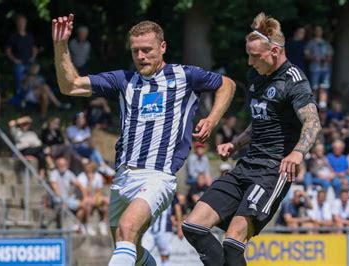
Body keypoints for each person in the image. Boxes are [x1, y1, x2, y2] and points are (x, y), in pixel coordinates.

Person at [52, 14, 235, 266]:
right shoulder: (123, 79)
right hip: (123, 177)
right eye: (136, 51)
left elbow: (228, 84)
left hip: (158, 176)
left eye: (147, 50)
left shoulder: (185, 76)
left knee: (127, 228)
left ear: (162, 47)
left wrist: (212, 120)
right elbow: (70, 85)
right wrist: (60, 45)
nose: (141, 56)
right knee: (129, 247)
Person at [182, 13, 321, 265]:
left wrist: (297, 153)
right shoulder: (257, 77)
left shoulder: (294, 81)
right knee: (193, 226)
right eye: (248, 54)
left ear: (276, 51)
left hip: (272, 171)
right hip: (245, 166)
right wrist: (235, 143)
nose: (249, 61)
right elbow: (259, 121)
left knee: (233, 243)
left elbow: (312, 122)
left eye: (255, 56)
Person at [49, 157, 87, 232]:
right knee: (62, 206)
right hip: (57, 199)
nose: (62, 166)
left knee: (83, 205)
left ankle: (77, 225)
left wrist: (85, 198)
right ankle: (62, 228)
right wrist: (63, 199)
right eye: (60, 165)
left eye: (64, 165)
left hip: (67, 199)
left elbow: (79, 185)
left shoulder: (69, 173)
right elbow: (54, 187)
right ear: (57, 165)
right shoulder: (54, 173)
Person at [6, 14, 38, 97]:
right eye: (19, 22)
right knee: (19, 70)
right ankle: (18, 92)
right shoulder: (13, 37)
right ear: (17, 24)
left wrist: (33, 57)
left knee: (36, 67)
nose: (21, 24)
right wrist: (14, 60)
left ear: (25, 23)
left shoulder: (29, 36)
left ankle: (26, 87)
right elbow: (8, 51)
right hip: (19, 62)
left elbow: (34, 49)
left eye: (23, 22)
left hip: (29, 62)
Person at [304, 25, 333, 109]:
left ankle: (323, 105)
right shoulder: (310, 43)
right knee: (314, 87)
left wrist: (326, 59)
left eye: (320, 30)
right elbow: (306, 55)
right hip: (314, 68)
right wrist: (315, 58)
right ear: (314, 32)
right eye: (317, 30)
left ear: (322, 32)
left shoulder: (326, 43)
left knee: (324, 87)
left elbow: (330, 55)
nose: (318, 32)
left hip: (325, 68)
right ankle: (313, 104)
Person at [77, 160, 109, 235]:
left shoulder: (98, 176)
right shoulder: (81, 177)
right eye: (87, 167)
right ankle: (88, 225)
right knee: (88, 203)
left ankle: (103, 224)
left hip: (94, 198)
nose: (88, 168)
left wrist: (97, 198)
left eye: (90, 167)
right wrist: (90, 181)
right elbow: (85, 193)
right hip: (84, 198)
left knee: (106, 201)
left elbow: (99, 191)